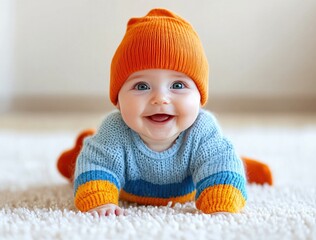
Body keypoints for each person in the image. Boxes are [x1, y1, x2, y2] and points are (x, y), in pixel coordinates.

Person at [57, 8, 273, 217]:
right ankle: (81, 149)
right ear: (118, 101)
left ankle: (246, 164)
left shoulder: (202, 130)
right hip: (123, 182)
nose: (160, 98)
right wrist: (100, 200)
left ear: (199, 99)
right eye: (141, 86)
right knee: (85, 161)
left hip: (195, 175)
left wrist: (221, 201)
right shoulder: (114, 131)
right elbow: (97, 166)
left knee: (221, 159)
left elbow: (220, 163)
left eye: (178, 85)